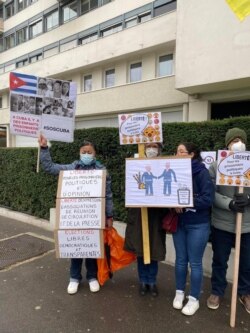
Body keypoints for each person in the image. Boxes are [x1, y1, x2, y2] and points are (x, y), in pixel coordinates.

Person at [38, 134, 113, 295]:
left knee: (92, 247)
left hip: (94, 215)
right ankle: (74, 278)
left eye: (89, 151)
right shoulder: (72, 168)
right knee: (76, 247)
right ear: (79, 153)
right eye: (83, 151)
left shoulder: (102, 171)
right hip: (75, 215)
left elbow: (108, 195)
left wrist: (109, 216)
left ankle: (92, 277)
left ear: (95, 154)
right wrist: (44, 148)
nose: (86, 154)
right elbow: (50, 168)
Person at [207, 128, 250, 314]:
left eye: (241, 139)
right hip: (222, 223)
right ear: (227, 144)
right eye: (234, 140)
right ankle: (217, 291)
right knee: (219, 260)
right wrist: (229, 203)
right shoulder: (216, 166)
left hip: (247, 224)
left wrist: (248, 200)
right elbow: (210, 193)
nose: (237, 143)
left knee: (247, 262)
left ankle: (245, 292)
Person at [172, 142, 214, 316]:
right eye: (177, 152)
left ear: (192, 154)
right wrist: (172, 205)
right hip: (180, 223)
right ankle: (179, 292)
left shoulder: (201, 172)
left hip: (198, 224)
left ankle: (194, 299)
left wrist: (186, 202)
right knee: (180, 260)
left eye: (182, 152)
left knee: (195, 263)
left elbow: (208, 199)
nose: (177, 154)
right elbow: (168, 194)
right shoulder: (176, 171)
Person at [124, 142, 167, 297]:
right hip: (139, 213)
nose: (151, 149)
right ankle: (143, 281)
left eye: (154, 146)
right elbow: (131, 187)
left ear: (159, 149)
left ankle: (152, 281)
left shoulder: (165, 166)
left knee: (154, 250)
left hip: (156, 216)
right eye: (148, 146)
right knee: (141, 251)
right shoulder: (135, 166)